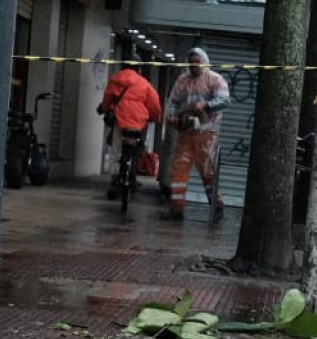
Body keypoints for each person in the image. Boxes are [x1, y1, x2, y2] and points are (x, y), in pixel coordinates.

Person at [165, 47, 230, 222]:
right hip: (186, 133)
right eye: (191, 63)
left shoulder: (215, 79)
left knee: (208, 172)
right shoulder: (182, 81)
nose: (194, 66)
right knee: (179, 169)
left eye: (197, 63)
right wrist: (172, 117)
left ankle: (216, 205)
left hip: (207, 133)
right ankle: (176, 209)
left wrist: (206, 106)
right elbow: (173, 102)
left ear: (204, 62)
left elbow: (224, 100)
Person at [98, 60, 161, 200]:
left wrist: (104, 108)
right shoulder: (144, 84)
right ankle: (131, 175)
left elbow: (107, 99)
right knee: (134, 149)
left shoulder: (116, 80)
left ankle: (115, 178)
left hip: (120, 120)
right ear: (138, 69)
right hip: (137, 123)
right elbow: (155, 103)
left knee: (116, 150)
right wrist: (156, 118)